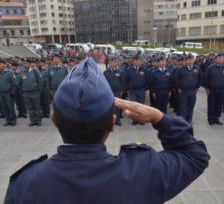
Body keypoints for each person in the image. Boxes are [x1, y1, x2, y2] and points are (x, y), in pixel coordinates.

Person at [4, 57, 210, 204]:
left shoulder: (26, 183)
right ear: (112, 124)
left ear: (54, 121)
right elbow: (195, 157)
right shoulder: (144, 171)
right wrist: (160, 118)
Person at [175, 54, 202, 125]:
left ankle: (189, 120)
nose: (190, 61)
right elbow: (176, 79)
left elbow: (200, 79)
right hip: (183, 91)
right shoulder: (181, 69)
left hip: (193, 91)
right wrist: (178, 88)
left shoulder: (197, 68)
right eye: (189, 60)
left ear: (194, 60)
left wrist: (197, 87)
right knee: (183, 107)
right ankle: (183, 121)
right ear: (186, 61)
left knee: (191, 107)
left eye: (192, 60)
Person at [18, 58, 42, 126]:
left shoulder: (35, 71)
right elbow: (18, 84)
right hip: (26, 93)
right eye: (24, 63)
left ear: (30, 64)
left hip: (35, 92)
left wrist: (39, 92)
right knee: (30, 108)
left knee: (37, 108)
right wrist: (22, 93)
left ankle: (38, 121)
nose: (25, 64)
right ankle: (32, 121)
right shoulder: (21, 73)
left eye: (26, 63)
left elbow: (40, 82)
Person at [126, 54, 147, 125]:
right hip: (132, 90)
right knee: (133, 106)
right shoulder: (129, 70)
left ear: (141, 61)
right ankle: (134, 120)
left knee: (141, 105)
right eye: (136, 60)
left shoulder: (144, 69)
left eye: (138, 60)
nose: (137, 62)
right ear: (132, 61)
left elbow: (147, 80)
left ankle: (140, 119)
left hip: (141, 90)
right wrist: (128, 90)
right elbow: (126, 81)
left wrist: (145, 89)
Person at [104, 56, 125, 126]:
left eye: (113, 62)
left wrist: (122, 90)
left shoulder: (120, 72)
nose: (111, 64)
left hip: (117, 92)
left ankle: (117, 120)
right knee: (109, 107)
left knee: (117, 107)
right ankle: (109, 121)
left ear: (116, 63)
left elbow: (123, 82)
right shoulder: (106, 72)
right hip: (109, 92)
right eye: (110, 62)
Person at [204, 52, 224, 125]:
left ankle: (216, 118)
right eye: (219, 58)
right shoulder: (210, 68)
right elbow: (206, 79)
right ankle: (210, 119)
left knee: (219, 105)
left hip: (222, 90)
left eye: (222, 58)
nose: (221, 60)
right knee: (211, 105)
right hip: (212, 89)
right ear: (215, 59)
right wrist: (207, 88)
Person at [0, 59, 16, 126]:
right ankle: (8, 120)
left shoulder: (9, 73)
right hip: (1, 93)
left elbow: (13, 83)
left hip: (8, 93)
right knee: (4, 107)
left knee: (10, 107)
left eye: (0, 64)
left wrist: (12, 92)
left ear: (4, 64)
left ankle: (13, 120)